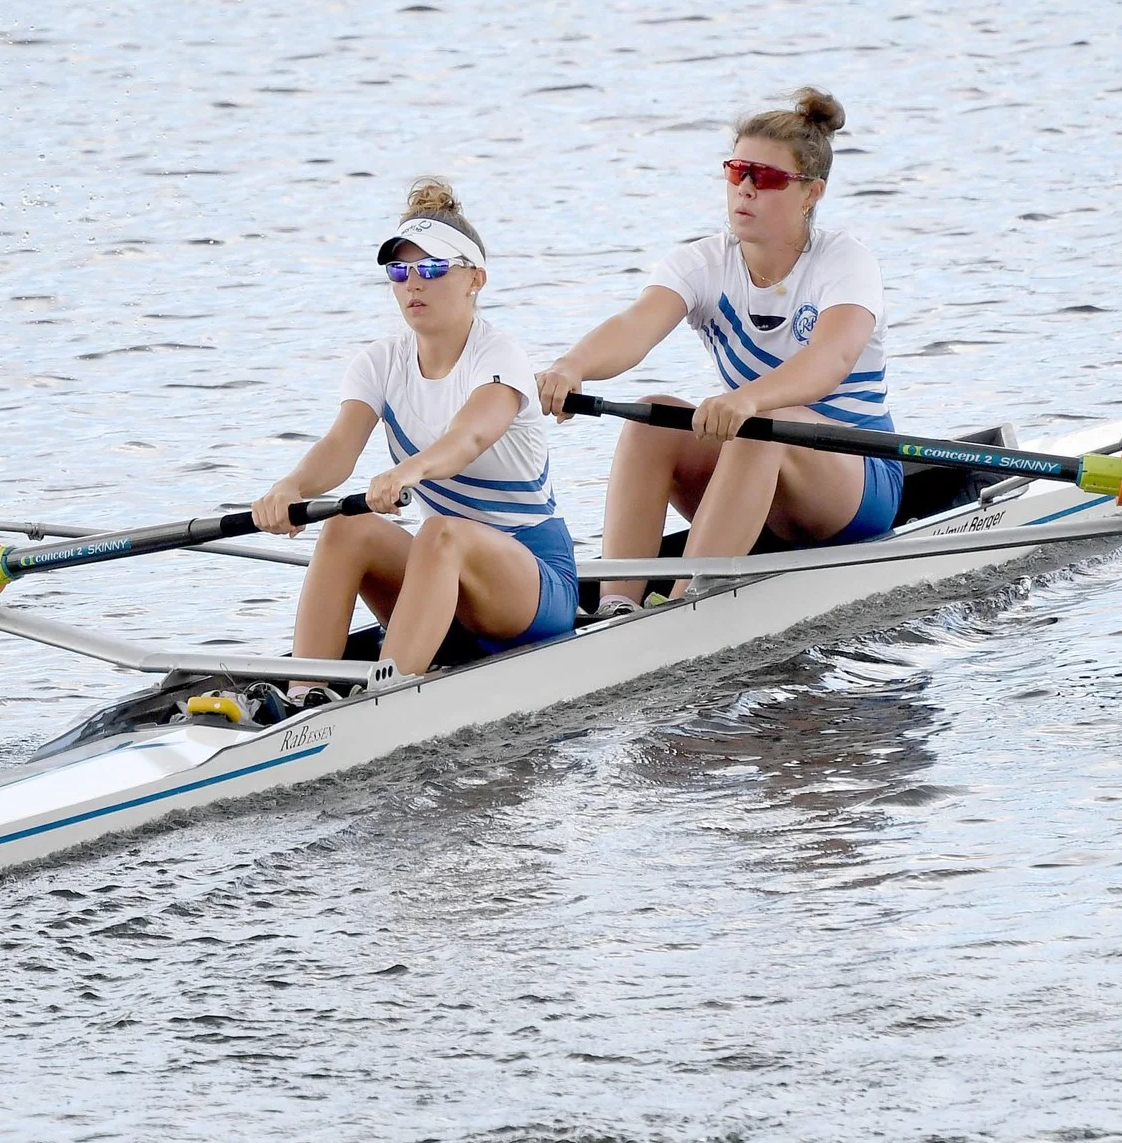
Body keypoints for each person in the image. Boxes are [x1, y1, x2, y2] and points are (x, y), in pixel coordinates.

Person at [534, 88, 897, 613]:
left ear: (811, 193)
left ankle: (683, 609)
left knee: (762, 422)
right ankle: (617, 606)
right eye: (737, 172)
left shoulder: (844, 261)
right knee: (652, 420)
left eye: (766, 178)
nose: (745, 188)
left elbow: (830, 361)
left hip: (856, 482)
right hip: (758, 467)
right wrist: (573, 365)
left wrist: (749, 399)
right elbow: (635, 327)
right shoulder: (703, 263)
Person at [251, 178, 579, 696]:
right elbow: (338, 448)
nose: (413, 284)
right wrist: (290, 488)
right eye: (400, 271)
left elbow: (470, 437)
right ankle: (304, 698)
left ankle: (384, 700)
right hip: (441, 580)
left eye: (431, 269)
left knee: (441, 532)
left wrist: (410, 470)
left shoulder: (499, 357)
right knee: (345, 528)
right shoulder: (380, 362)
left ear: (475, 279)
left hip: (533, 584)